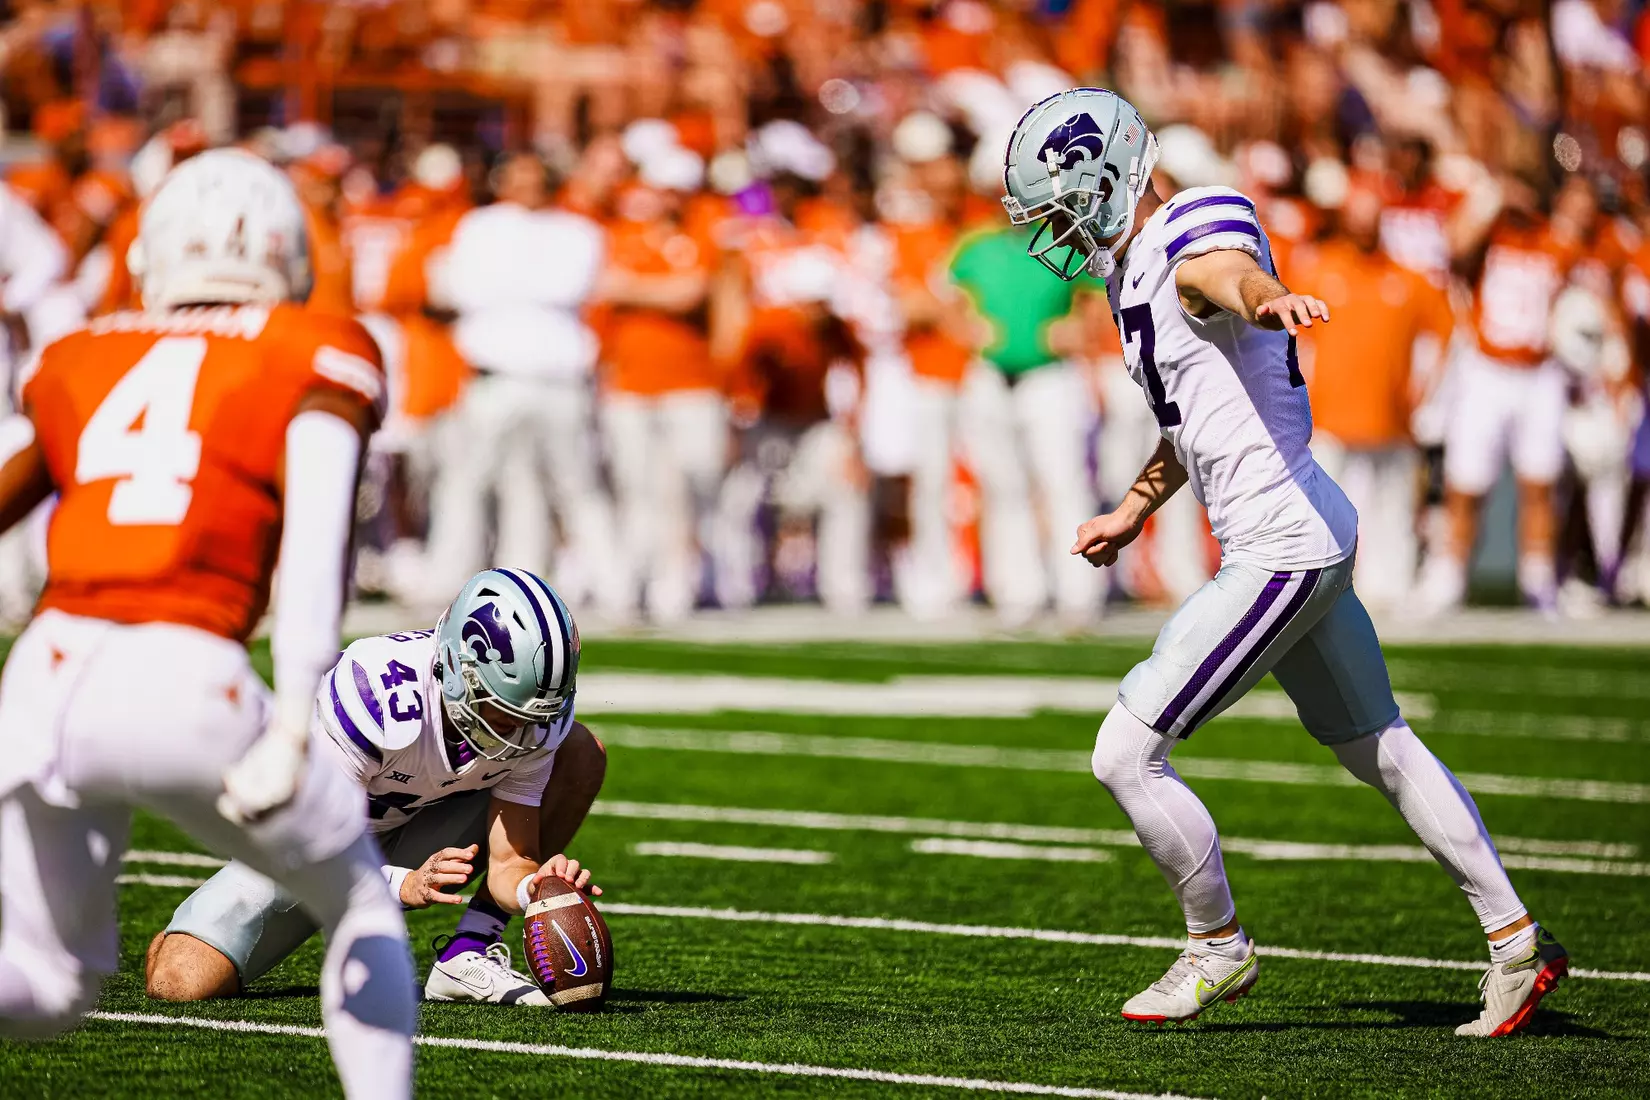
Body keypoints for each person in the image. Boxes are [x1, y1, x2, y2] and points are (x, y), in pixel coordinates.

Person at [1003, 88, 1566, 1035]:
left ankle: (1215, 947)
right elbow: (1193, 425)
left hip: (1280, 543)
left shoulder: (1190, 223)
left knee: (1125, 753)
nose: (1056, 231)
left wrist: (1270, 298)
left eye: (1060, 207)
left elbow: (1225, 275)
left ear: (1106, 178)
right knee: (1376, 745)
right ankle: (1516, 939)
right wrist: (1134, 509)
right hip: (1299, 529)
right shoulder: (1127, 271)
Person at [0, 149, 416, 1097]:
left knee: (50, 985)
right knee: (357, 902)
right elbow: (318, 546)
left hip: (43, 674)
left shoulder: (80, 351)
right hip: (183, 670)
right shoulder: (311, 343)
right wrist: (299, 714)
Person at [146, 568, 606, 1007]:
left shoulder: (538, 724)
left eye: (530, 717)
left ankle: (467, 951)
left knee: (580, 752)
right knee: (180, 980)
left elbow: (511, 860)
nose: (518, 731)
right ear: (455, 666)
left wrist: (535, 890)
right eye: (500, 709)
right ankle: (190, 929)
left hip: (413, 828)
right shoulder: (375, 692)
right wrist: (406, 883)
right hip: (306, 847)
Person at [1288, 184, 1454, 611]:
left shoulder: (1409, 279)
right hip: (1329, 415)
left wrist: (1425, 391)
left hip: (1391, 417)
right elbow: (1295, 343)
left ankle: (1391, 584)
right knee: (1329, 507)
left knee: (1393, 506)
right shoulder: (1319, 270)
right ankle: (1328, 583)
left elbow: (1446, 333)